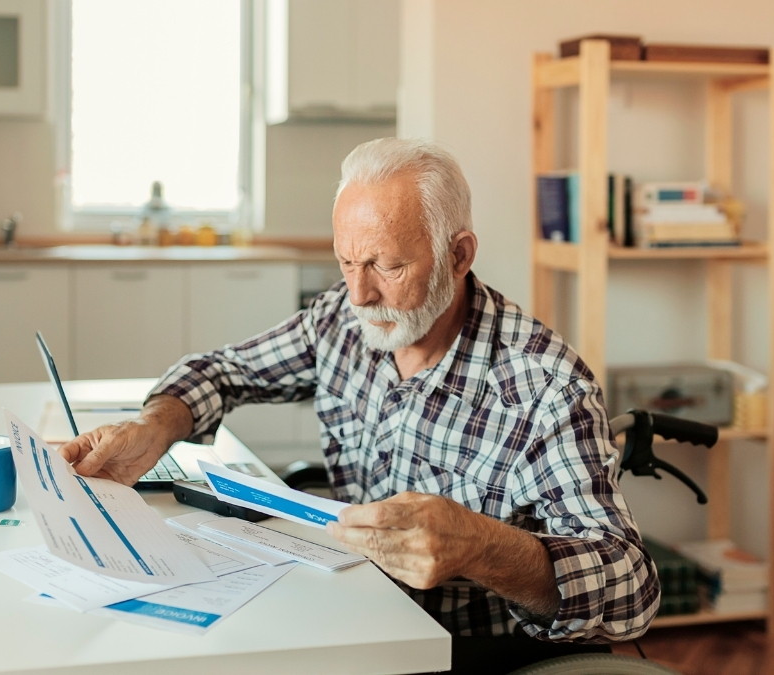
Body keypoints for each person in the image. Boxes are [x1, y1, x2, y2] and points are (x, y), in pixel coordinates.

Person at [59, 138, 660, 671]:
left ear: (459, 255)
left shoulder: (543, 387)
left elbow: (631, 591)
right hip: (350, 613)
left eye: (388, 266)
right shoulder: (343, 320)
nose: (360, 292)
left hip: (463, 649)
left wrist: (481, 546)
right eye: (347, 262)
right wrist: (153, 426)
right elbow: (223, 371)